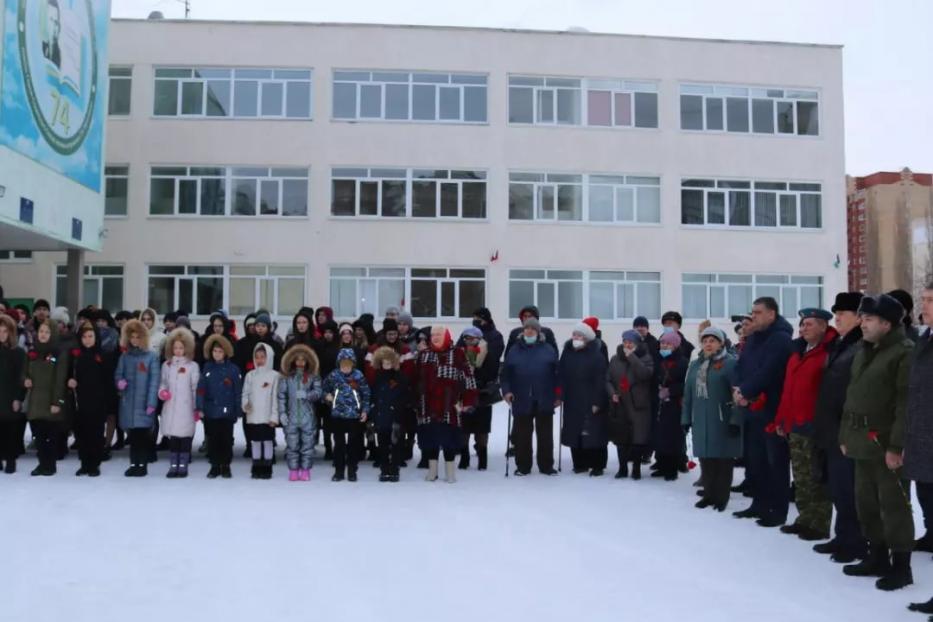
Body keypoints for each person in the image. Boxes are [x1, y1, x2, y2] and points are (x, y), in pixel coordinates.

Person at [839, 294, 914, 591]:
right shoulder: (865, 350)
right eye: (862, 318)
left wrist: (897, 446)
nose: (863, 323)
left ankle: (901, 567)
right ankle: (878, 556)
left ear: (886, 323)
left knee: (893, 506)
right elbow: (852, 396)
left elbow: (905, 404)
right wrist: (845, 436)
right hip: (860, 441)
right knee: (866, 503)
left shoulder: (903, 352)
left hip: (884, 443)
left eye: (868, 319)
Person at [812, 292, 868, 563]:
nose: (837, 318)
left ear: (859, 317)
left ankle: (855, 541)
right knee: (837, 487)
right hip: (831, 429)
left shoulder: (861, 346)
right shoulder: (841, 344)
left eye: (842, 314)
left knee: (849, 489)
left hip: (848, 430)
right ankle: (842, 535)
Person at [772, 308, 837, 541]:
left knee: (815, 476)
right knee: (800, 476)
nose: (803, 329)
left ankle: (819, 524)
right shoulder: (797, 352)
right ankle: (804, 518)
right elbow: (787, 390)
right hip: (794, 423)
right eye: (801, 325)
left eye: (809, 324)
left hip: (814, 424)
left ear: (822, 326)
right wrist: (781, 418)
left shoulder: (828, 353)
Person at [732, 297, 794, 527]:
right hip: (752, 408)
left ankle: (777, 509)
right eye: (753, 312)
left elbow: (769, 371)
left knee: (775, 462)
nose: (753, 316)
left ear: (772, 314)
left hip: (771, 410)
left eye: (758, 312)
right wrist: (739, 388)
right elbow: (741, 365)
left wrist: (746, 391)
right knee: (755, 460)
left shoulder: (781, 339)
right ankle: (759, 503)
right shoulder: (754, 338)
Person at [682, 326, 740, 510]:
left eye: (712, 340)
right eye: (705, 340)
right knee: (706, 459)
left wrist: (735, 420)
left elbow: (737, 393)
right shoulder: (696, 364)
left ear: (721, 343)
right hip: (700, 419)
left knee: (722, 460)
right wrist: (685, 418)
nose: (708, 344)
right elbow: (688, 394)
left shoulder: (730, 363)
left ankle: (721, 498)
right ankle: (708, 494)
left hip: (721, 419)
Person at [414, 326, 477, 483]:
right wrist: (414, 399)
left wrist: (468, 400)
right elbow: (416, 380)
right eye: (433, 335)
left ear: (447, 336)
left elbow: (468, 379)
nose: (435, 337)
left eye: (439, 335)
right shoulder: (423, 355)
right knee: (430, 439)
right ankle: (432, 471)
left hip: (450, 405)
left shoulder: (458, 353)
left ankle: (450, 473)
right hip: (427, 405)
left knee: (449, 439)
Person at [501, 317, 559, 476]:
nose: (529, 331)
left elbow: (557, 375)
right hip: (521, 398)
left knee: (545, 436)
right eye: (526, 328)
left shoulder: (548, 349)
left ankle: (546, 466)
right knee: (522, 436)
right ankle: (523, 466)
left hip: (545, 398)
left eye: (532, 329)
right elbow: (505, 375)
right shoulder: (514, 350)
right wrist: (506, 391)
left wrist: (558, 395)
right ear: (523, 331)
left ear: (538, 331)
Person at [906, 282, 933, 614]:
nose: (925, 304)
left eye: (931, 299)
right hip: (923, 440)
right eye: (924, 299)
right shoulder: (924, 339)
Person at [559, 321, 608, 476]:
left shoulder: (596, 355)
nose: (576, 337)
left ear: (587, 338)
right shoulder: (567, 353)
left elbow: (601, 380)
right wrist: (559, 394)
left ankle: (597, 465)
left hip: (590, 398)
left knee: (593, 432)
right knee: (575, 430)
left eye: (580, 335)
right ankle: (579, 463)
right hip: (572, 398)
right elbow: (561, 375)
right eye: (574, 334)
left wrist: (597, 401)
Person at [69, 324, 118, 477]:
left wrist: (107, 402)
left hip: (98, 402)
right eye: (84, 337)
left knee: (96, 434)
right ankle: (84, 463)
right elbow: (68, 373)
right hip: (80, 402)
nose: (87, 340)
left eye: (90, 336)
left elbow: (108, 381)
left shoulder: (103, 356)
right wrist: (70, 381)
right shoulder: (76, 355)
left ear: (96, 338)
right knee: (81, 434)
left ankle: (94, 464)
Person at [606, 329, 654, 480]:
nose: (627, 345)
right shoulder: (615, 359)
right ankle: (622, 468)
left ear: (637, 344)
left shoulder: (646, 358)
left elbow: (645, 374)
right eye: (625, 341)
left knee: (637, 438)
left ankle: (636, 469)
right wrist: (612, 392)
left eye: (630, 342)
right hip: (620, 402)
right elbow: (607, 379)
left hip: (638, 404)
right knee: (621, 437)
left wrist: (632, 357)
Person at [115, 319, 160, 477]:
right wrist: (119, 383)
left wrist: (151, 403)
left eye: (137, 336)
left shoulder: (151, 357)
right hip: (128, 403)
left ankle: (143, 464)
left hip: (143, 404)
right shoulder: (125, 357)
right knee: (133, 437)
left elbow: (154, 381)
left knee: (142, 437)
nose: (135, 340)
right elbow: (118, 374)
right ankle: (134, 464)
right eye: (132, 337)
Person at [457, 317, 503, 470]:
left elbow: (492, 372)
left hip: (482, 396)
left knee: (482, 430)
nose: (470, 341)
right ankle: (464, 458)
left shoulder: (488, 353)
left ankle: (483, 460)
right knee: (464, 429)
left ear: (479, 339)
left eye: (474, 338)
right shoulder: (458, 353)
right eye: (467, 338)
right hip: (464, 395)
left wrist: (481, 380)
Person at [196, 335, 242, 479]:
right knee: (213, 439)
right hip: (211, 411)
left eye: (220, 351)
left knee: (227, 440)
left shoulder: (233, 369)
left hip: (228, 412)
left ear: (226, 352)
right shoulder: (207, 368)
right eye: (215, 351)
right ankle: (215, 465)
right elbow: (201, 389)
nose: (217, 354)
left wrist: (238, 409)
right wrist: (200, 406)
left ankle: (226, 465)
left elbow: (237, 391)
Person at [156, 328, 199, 479]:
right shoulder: (167, 365)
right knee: (174, 438)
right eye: (175, 347)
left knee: (185, 438)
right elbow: (162, 384)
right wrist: (162, 393)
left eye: (181, 347)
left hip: (186, 408)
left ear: (187, 348)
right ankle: (173, 465)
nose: (178, 350)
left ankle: (183, 465)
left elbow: (195, 388)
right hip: (171, 407)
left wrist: (196, 408)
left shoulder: (192, 366)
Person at [323, 348, 370, 482]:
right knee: (339, 445)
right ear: (339, 363)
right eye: (343, 363)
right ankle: (339, 470)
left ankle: (352, 470)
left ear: (353, 363)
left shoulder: (358, 376)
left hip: (354, 416)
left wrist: (365, 410)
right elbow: (324, 389)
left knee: (353, 445)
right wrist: (327, 396)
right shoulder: (333, 375)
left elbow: (366, 394)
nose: (346, 366)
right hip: (338, 415)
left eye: (348, 363)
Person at [277, 344, 321, 482]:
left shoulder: (313, 377)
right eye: (297, 359)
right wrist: (282, 413)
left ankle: (306, 469)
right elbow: (281, 396)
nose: (300, 362)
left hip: (308, 417)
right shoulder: (286, 378)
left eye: (303, 360)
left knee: (308, 444)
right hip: (291, 417)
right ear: (293, 361)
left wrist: (307, 395)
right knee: (292, 444)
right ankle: (293, 469)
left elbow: (319, 392)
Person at [370, 346, 411, 482]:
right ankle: (384, 468)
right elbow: (374, 396)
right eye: (384, 362)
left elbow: (405, 395)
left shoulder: (401, 377)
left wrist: (399, 408)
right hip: (382, 415)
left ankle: (394, 468)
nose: (386, 364)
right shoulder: (377, 377)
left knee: (396, 444)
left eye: (389, 362)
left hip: (396, 416)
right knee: (382, 444)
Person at [653, 330, 690, 481]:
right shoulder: (658, 359)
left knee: (673, 438)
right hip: (660, 404)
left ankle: (672, 468)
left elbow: (686, 384)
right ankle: (661, 465)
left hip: (675, 404)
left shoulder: (682, 362)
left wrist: (670, 391)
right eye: (662, 343)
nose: (664, 346)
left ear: (675, 345)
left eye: (667, 343)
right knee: (660, 436)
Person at [241, 342, 279, 480]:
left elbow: (276, 397)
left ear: (268, 357)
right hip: (254, 416)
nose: (260, 360)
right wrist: (245, 405)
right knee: (255, 441)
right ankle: (256, 466)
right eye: (257, 357)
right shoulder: (250, 375)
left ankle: (267, 467)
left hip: (268, 417)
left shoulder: (274, 376)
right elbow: (245, 393)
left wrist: (275, 416)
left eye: (263, 357)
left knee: (268, 441)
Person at [0, 314, 25, 474]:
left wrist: (18, 397)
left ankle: (10, 460)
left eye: (5, 331)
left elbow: (21, 377)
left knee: (10, 431)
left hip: (10, 396)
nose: (2, 334)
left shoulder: (17, 353)